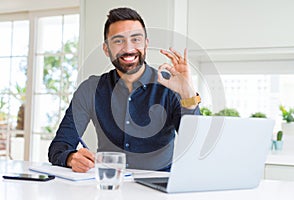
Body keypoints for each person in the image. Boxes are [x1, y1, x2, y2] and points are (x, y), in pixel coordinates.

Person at [48, 7, 201, 173]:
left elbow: (195, 147)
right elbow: (59, 147)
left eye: (136, 40)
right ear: (106, 49)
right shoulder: (90, 89)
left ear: (146, 44)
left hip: (157, 190)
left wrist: (188, 94)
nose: (128, 49)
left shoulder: (170, 86)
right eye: (118, 41)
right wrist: (71, 158)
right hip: (108, 185)